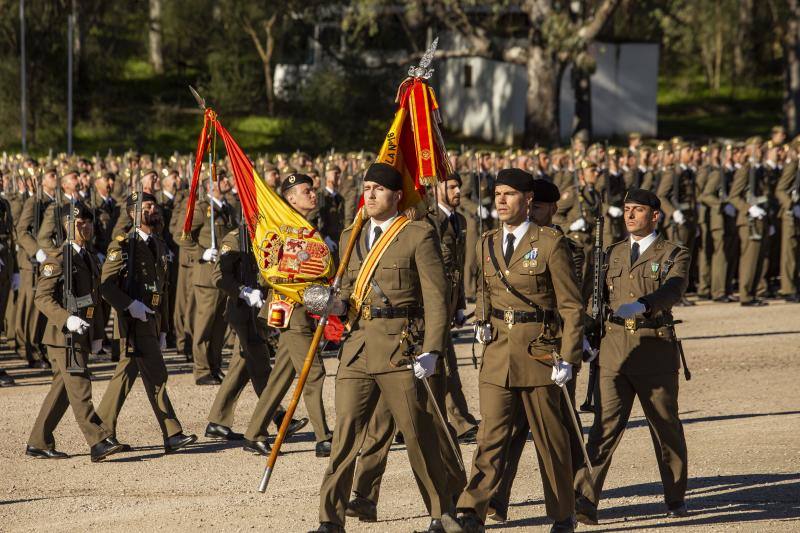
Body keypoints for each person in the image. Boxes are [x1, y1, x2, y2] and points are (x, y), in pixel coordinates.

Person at [311, 163, 459, 533]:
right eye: (367, 187)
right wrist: (334, 304)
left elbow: (437, 299)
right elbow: (347, 293)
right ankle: (330, 519)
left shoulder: (417, 235)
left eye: (379, 188)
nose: (371, 194)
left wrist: (434, 350)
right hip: (359, 347)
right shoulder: (351, 235)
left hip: (401, 347)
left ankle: (442, 513)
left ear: (396, 196)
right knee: (344, 435)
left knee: (417, 435)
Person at [456, 168, 583, 533]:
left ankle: (563, 512)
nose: (500, 200)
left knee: (551, 439)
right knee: (490, 436)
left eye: (509, 194)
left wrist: (569, 357)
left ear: (528, 200)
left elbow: (570, 307)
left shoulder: (549, 243)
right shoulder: (487, 242)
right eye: (497, 193)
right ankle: (472, 509)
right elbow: (483, 289)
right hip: (498, 353)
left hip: (539, 352)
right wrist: (481, 319)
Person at [573, 189, 691, 525]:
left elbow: (675, 288)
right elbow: (596, 300)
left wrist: (645, 304)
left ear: (655, 215)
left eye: (637, 210)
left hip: (653, 349)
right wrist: (587, 334)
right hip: (613, 352)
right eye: (626, 209)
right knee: (603, 428)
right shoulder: (612, 253)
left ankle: (674, 497)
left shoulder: (672, 252)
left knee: (665, 427)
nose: (629, 215)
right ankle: (585, 499)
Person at [96, 192, 197, 454]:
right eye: (147, 206)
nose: (154, 210)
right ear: (132, 213)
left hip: (150, 320)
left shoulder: (159, 244)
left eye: (154, 205)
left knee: (125, 376)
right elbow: (106, 286)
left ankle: (101, 433)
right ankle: (172, 433)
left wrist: (163, 328)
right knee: (157, 375)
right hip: (132, 321)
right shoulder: (122, 245)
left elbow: (161, 289)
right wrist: (130, 305)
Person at [242, 173, 333, 457]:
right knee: (313, 371)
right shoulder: (280, 226)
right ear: (290, 197)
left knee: (283, 374)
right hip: (290, 309)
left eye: (313, 190)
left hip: (307, 307)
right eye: (307, 191)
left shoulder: (307, 226)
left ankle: (254, 431)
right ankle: (323, 437)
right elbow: (270, 268)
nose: (313, 194)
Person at [26, 202, 123, 462]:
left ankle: (38, 441)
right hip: (62, 336)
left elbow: (95, 298)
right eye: (79, 223)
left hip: (81, 333)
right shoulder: (56, 259)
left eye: (89, 222)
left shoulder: (88, 257)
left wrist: (98, 334)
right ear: (66, 226)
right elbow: (42, 298)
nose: (85, 227)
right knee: (80, 385)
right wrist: (66, 319)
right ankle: (99, 439)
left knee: (61, 391)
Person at [204, 227, 307, 441]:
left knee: (242, 367)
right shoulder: (234, 239)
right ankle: (280, 418)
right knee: (260, 364)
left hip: (258, 310)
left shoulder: (266, 235)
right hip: (242, 311)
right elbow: (218, 276)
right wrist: (242, 291)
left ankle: (217, 421)